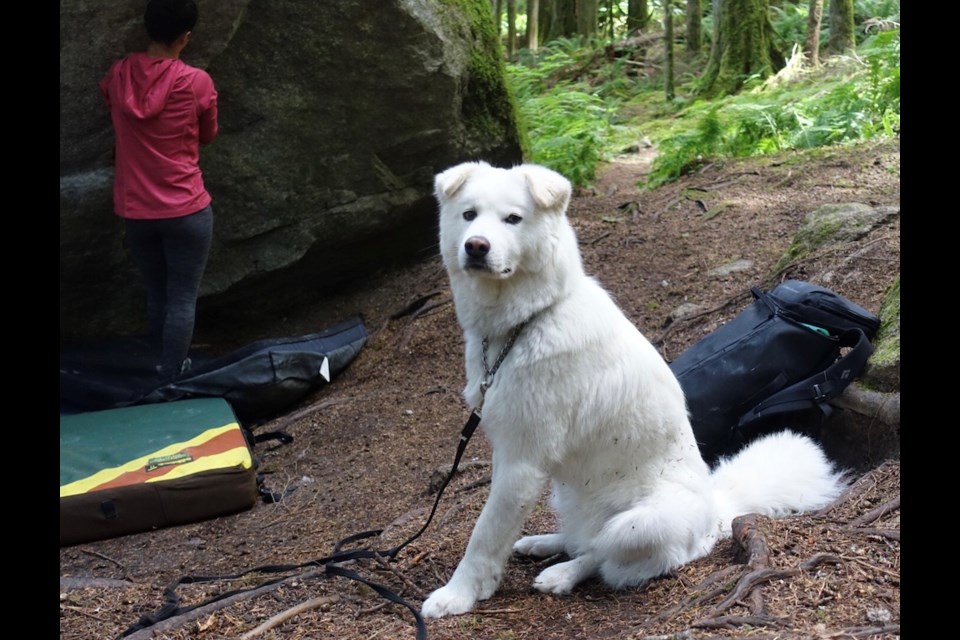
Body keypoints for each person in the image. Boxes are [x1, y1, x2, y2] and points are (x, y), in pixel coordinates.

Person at [100, 0, 218, 380]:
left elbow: (111, 106)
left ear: (147, 29)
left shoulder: (117, 75)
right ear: (185, 37)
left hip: (136, 211)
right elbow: (209, 134)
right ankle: (173, 374)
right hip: (186, 208)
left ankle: (159, 362)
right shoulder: (195, 81)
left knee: (157, 291)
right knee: (183, 296)